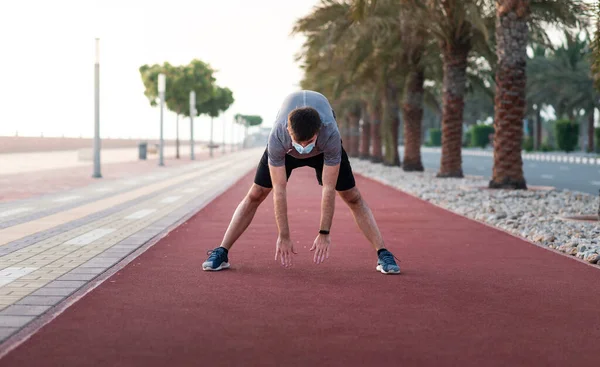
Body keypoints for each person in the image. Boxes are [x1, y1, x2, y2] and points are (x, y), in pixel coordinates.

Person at [202, 90, 400, 274]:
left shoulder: (329, 133)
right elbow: (279, 189)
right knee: (256, 193)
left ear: (318, 130)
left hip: (323, 152)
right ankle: (222, 251)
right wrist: (284, 235)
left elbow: (328, 189)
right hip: (285, 152)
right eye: (300, 142)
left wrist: (324, 232)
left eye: (308, 141)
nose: (303, 147)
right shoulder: (278, 136)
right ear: (288, 129)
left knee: (352, 196)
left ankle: (383, 254)